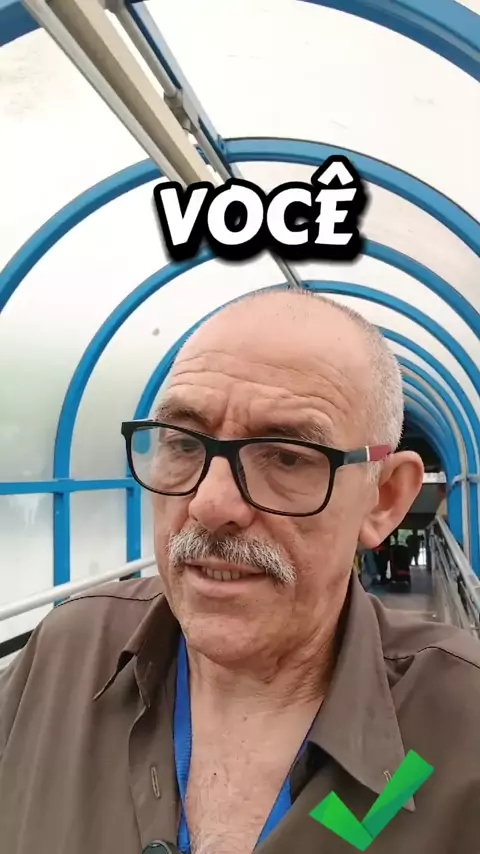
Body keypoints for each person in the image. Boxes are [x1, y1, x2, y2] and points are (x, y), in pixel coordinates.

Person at [1, 290, 480, 854]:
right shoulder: (63, 657)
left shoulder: (461, 726)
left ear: (385, 499)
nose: (210, 504)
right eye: (183, 444)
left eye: (287, 456)